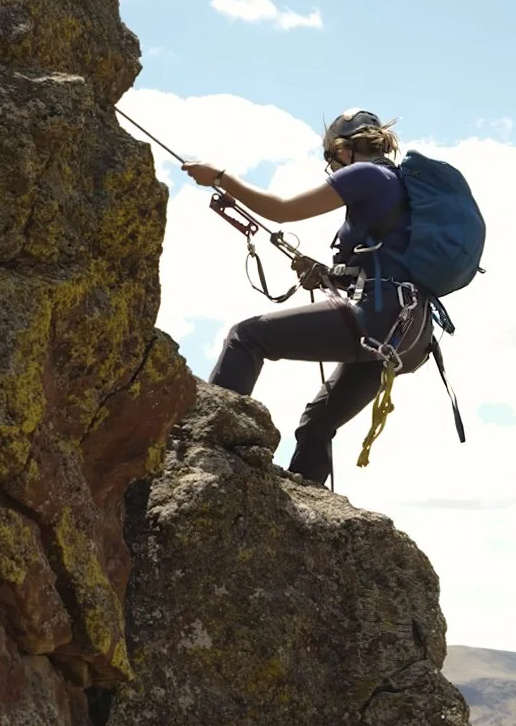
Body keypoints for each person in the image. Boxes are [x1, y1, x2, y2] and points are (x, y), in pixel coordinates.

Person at [181, 109, 434, 487]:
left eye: (331, 158)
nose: (331, 167)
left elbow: (281, 210)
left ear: (343, 149)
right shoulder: (402, 187)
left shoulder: (366, 175)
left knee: (246, 337)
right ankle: (307, 504)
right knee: (317, 424)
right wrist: (332, 275)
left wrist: (220, 178)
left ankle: (205, 439)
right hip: (411, 334)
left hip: (379, 319)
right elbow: (389, 260)